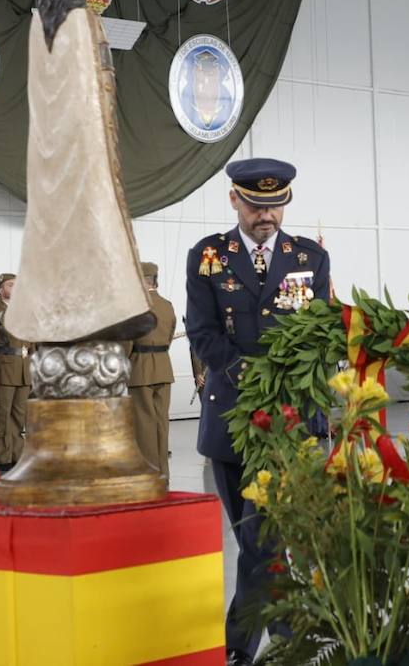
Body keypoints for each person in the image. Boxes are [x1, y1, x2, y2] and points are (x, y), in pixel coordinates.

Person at [186, 158, 330, 666]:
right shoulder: (207, 256)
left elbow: (320, 330)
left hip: (291, 423)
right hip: (231, 419)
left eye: (276, 205)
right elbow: (202, 333)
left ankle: (240, 647)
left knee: (263, 538)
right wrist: (248, 374)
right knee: (257, 540)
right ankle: (293, 632)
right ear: (234, 200)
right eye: (256, 205)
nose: (266, 215)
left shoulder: (310, 257)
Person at [124, 261, 178, 480]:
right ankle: (163, 472)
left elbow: (126, 342)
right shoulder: (167, 305)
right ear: (155, 280)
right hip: (164, 368)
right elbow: (170, 334)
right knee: (161, 422)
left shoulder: (135, 307)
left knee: (143, 423)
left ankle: (149, 474)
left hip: (140, 370)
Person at [0, 274, 30, 472]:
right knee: (3, 415)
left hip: (23, 369)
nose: (15, 288)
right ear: (0, 289)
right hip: (4, 368)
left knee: (19, 415)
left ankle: (17, 454)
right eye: (10, 285)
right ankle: (4, 456)